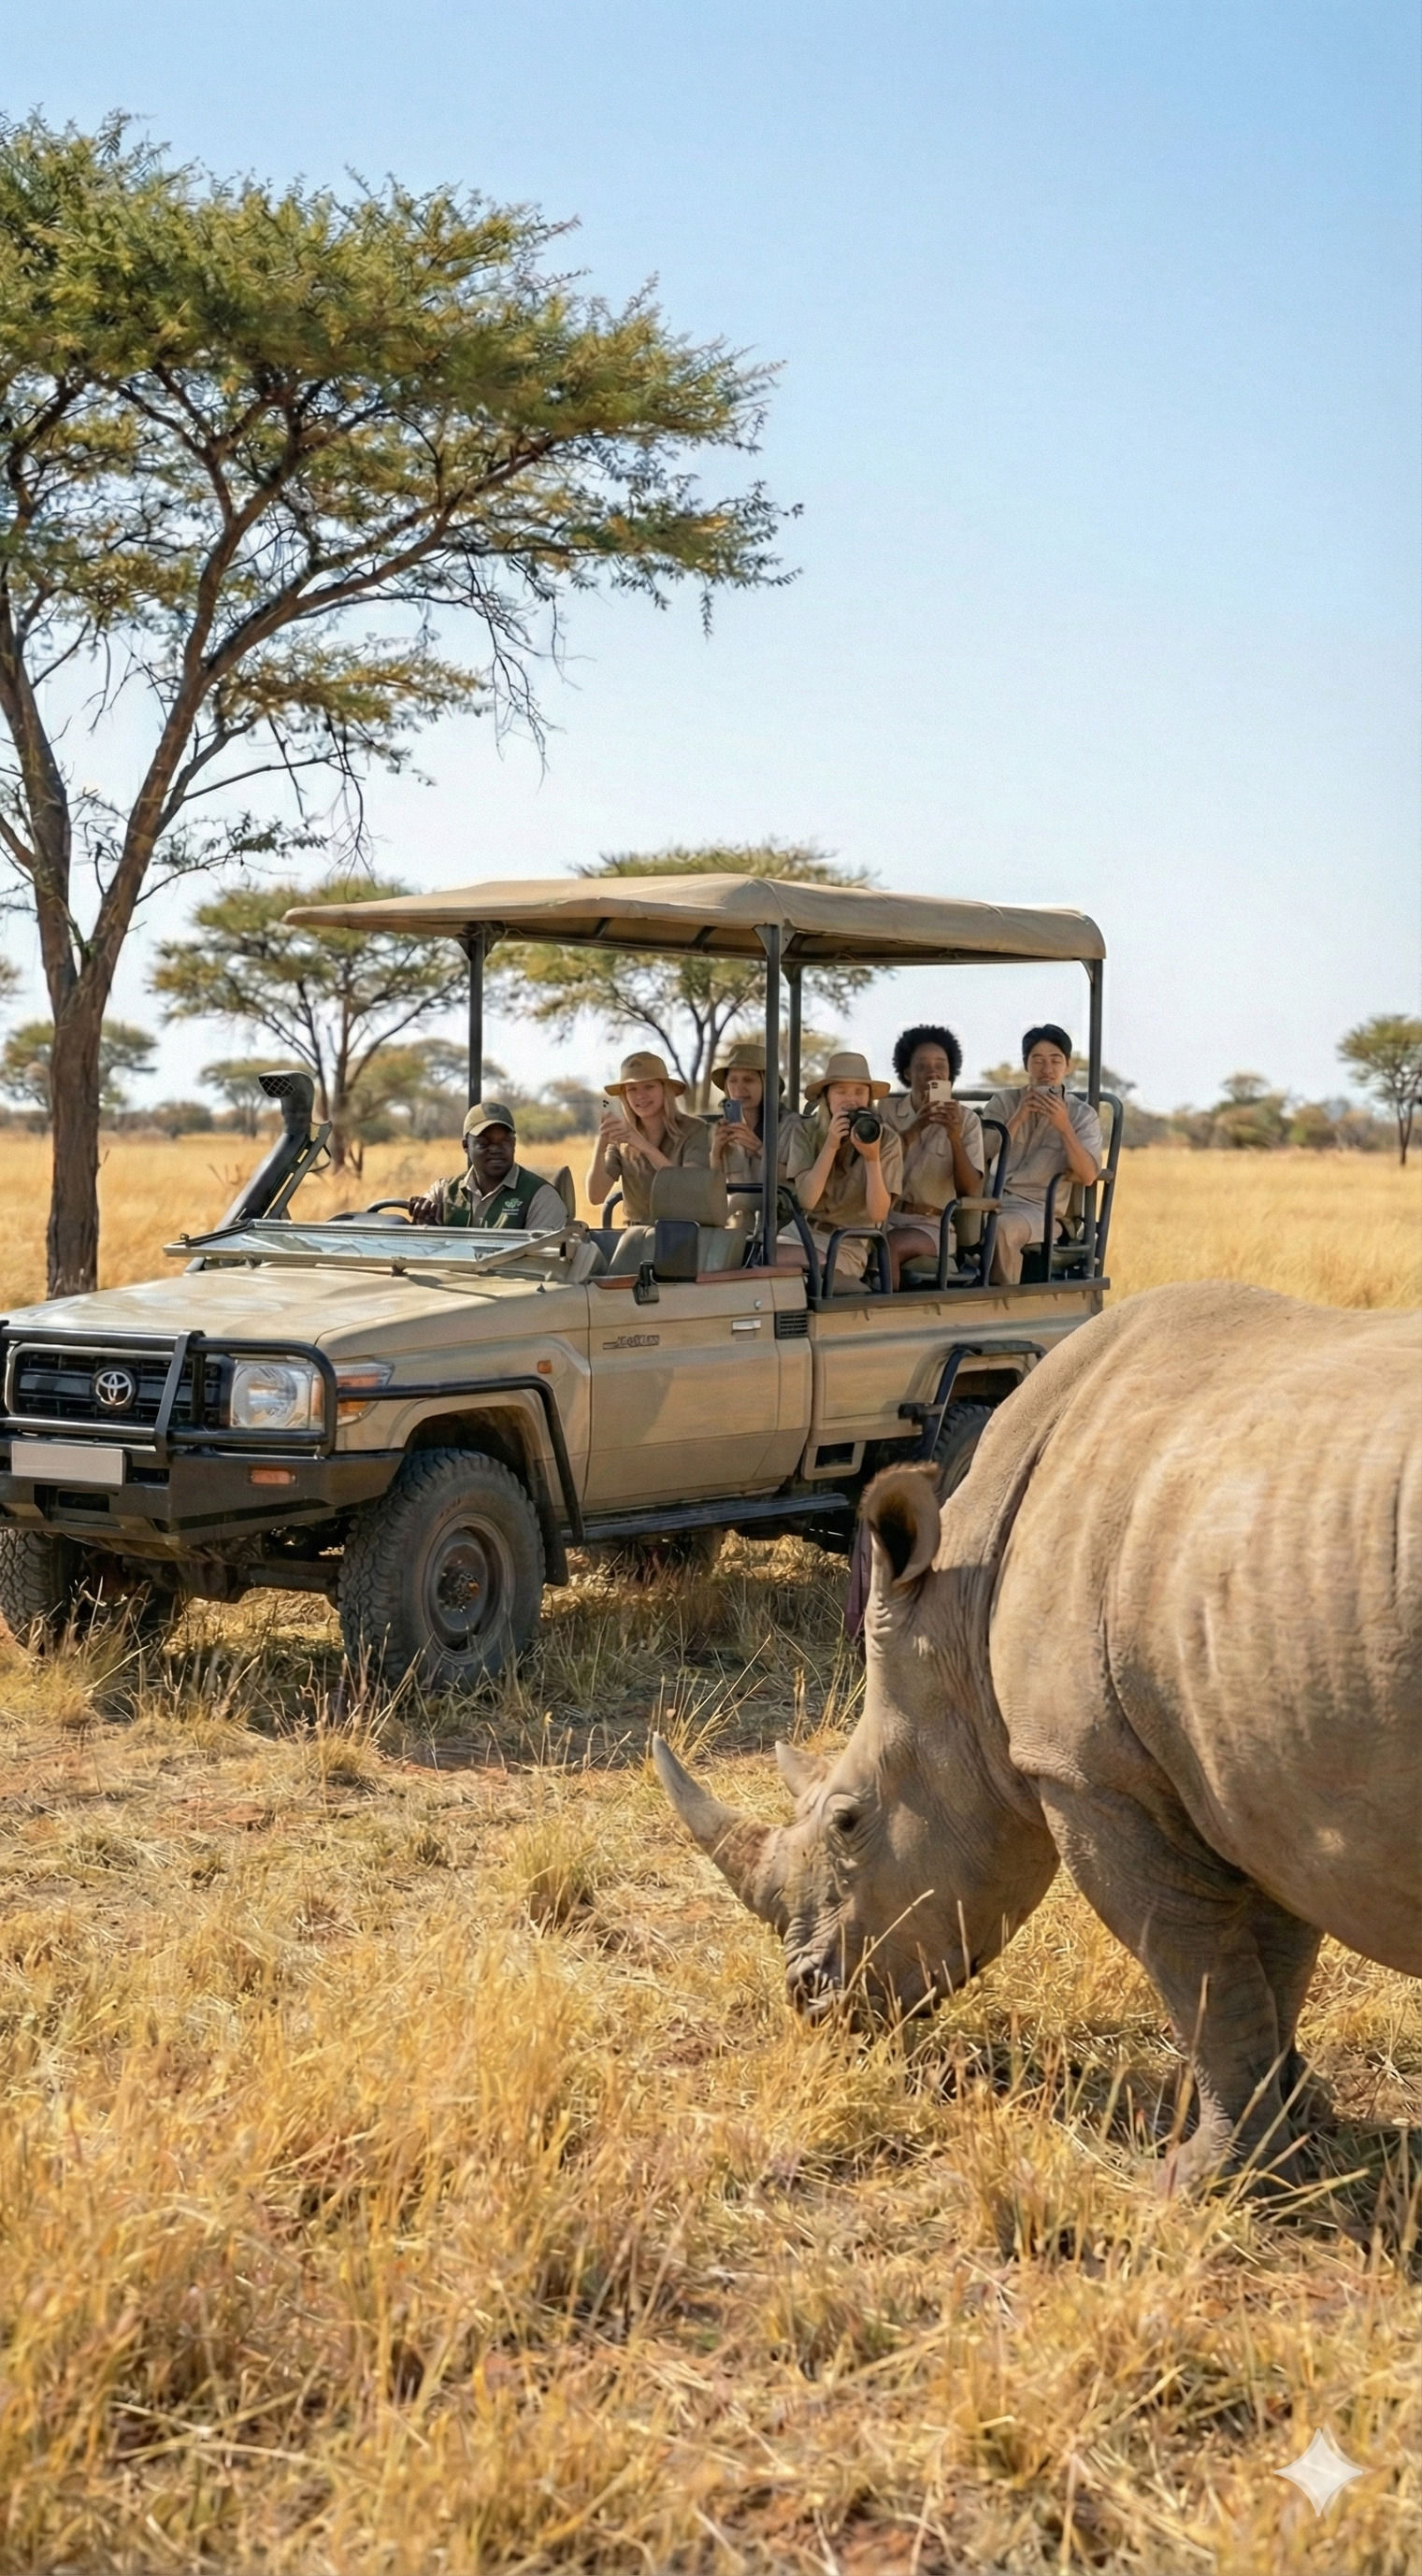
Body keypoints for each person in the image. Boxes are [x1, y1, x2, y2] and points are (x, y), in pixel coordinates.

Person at [983, 1024, 1103, 1284]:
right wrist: (1017, 1118)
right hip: (989, 1200)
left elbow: (1088, 1175)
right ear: (1026, 1065)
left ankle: (1004, 1302)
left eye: (1055, 1060)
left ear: (1068, 1066)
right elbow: (982, 1155)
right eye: (1037, 1060)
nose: (1046, 1070)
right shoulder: (1003, 1102)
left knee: (1001, 1229)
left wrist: (1064, 1128)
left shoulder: (1082, 1115)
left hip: (1041, 1211)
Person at [782, 1051, 903, 1290]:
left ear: (869, 1098)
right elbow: (807, 1200)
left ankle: (821, 1266)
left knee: (797, 1269)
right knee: (757, 1257)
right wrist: (831, 1145)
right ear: (827, 1097)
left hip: (848, 1242)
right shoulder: (805, 1132)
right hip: (802, 1233)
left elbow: (878, 1213)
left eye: (859, 1092)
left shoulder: (887, 1140)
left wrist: (872, 1159)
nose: (851, 1100)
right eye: (841, 1091)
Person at [880, 1023, 985, 1282]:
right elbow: (875, 1168)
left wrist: (954, 1137)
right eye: (922, 1066)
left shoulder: (966, 1120)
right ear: (907, 1072)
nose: (933, 1073)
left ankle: (886, 1317)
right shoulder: (886, 1112)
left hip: (932, 1224)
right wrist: (917, 1127)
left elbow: (971, 1190)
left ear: (951, 1073)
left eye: (941, 1065)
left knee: (888, 1247)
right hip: (883, 1216)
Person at [583, 1050, 710, 1224]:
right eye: (632, 1089)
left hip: (685, 1232)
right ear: (624, 1096)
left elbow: (687, 1189)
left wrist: (642, 1144)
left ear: (665, 1090)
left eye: (649, 1087)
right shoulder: (621, 1140)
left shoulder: (694, 1130)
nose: (640, 1096)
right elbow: (596, 1196)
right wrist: (600, 1147)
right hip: (637, 1235)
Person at [409, 1100, 569, 1231]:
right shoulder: (443, 1191)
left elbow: (539, 1263)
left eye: (504, 1141)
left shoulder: (541, 1197)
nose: (495, 1149)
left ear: (514, 1143)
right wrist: (427, 1227)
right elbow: (420, 1250)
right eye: (484, 1143)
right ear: (466, 1146)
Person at [708, 1038, 800, 1230]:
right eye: (733, 1080)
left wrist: (758, 1148)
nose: (739, 1088)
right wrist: (716, 1153)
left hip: (779, 1225)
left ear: (766, 1084)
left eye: (748, 1080)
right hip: (734, 1227)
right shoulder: (720, 1129)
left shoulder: (792, 1126)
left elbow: (799, 1180)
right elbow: (713, 1188)